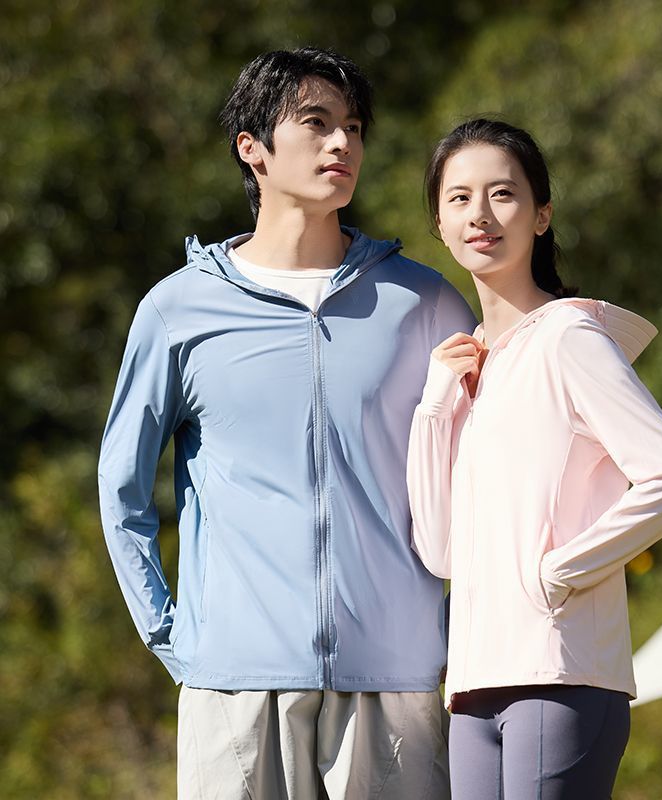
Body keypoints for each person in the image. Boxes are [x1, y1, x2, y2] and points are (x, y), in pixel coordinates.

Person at [98, 47, 475, 800]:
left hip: (397, 681)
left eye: (354, 127)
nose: (343, 144)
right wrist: (175, 636)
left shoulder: (425, 303)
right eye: (317, 123)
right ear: (253, 148)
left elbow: (485, 480)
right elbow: (121, 487)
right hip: (233, 689)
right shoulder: (178, 310)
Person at [407, 119, 662, 800]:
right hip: (475, 684)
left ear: (541, 215)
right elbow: (442, 552)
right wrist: (434, 409)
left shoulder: (569, 336)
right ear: (439, 224)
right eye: (459, 198)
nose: (480, 215)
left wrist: (558, 572)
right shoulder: (471, 367)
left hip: (562, 674)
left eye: (503, 194)